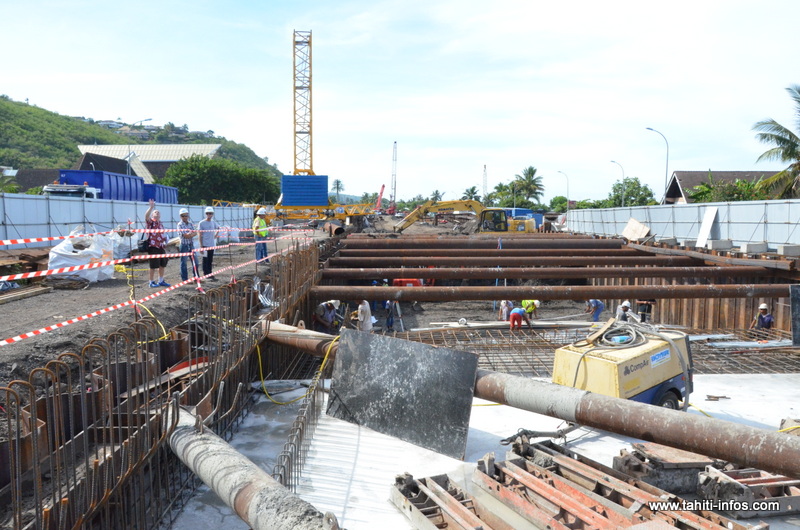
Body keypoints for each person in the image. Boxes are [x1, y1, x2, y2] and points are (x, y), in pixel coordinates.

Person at [143, 199, 170, 288]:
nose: (157, 213)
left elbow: (163, 233)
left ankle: (161, 280)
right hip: (153, 246)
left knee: (162, 264)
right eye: (155, 212)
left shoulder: (160, 223)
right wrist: (151, 207)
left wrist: (166, 239)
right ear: (152, 215)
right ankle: (151, 282)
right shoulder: (150, 222)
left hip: (161, 246)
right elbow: (146, 216)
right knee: (153, 265)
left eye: (158, 212)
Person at [198, 206, 220, 279]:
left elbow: (218, 228)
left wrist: (216, 235)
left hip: (211, 244)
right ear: (206, 214)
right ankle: (206, 273)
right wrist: (201, 246)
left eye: (210, 213)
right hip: (205, 244)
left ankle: (209, 272)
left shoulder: (213, 222)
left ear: (212, 214)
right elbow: (200, 235)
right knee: (205, 260)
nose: (209, 215)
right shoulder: (202, 223)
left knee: (210, 259)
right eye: (208, 213)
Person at [177, 208, 198, 282]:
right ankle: (185, 279)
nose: (185, 217)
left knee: (195, 262)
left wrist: (190, 234)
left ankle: (196, 278)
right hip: (184, 245)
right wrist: (191, 234)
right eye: (183, 216)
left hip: (191, 245)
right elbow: (186, 235)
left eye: (186, 215)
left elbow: (195, 232)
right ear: (180, 216)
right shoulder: (180, 225)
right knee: (184, 263)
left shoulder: (190, 223)